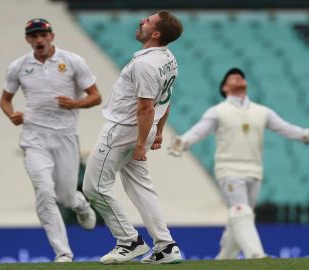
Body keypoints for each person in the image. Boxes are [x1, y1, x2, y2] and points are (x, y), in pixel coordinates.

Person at [168, 68, 309, 260]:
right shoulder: (218, 111)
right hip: (229, 169)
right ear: (225, 87)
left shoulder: (261, 111)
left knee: (239, 218)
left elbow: (286, 128)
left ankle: (224, 259)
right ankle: (256, 255)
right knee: (241, 210)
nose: (239, 77)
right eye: (233, 77)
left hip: (254, 170)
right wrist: (184, 141)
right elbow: (199, 131)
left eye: (241, 76)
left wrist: (308, 135)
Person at [82, 11, 183, 265]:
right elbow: (166, 98)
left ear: (156, 33)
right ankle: (166, 246)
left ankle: (129, 241)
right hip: (142, 129)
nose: (142, 22)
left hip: (124, 130)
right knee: (141, 187)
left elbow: (146, 107)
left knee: (94, 188)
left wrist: (140, 144)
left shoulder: (145, 65)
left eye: (148, 21)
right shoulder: (168, 58)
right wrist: (157, 132)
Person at [0, 18, 102, 263]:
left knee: (66, 196)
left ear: (51, 37)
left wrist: (75, 103)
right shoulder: (18, 66)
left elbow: (96, 97)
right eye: (33, 36)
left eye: (42, 35)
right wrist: (11, 114)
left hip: (65, 137)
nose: (38, 40)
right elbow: (5, 99)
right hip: (34, 138)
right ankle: (63, 253)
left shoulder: (73, 61)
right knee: (45, 192)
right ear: (28, 40)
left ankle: (80, 205)